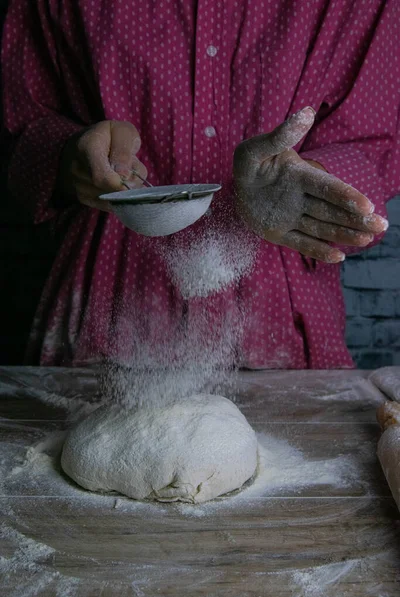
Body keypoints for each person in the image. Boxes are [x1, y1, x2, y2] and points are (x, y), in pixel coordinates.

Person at [1, 0, 399, 369]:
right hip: (103, 308)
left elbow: (376, 145)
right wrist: (71, 157)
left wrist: (308, 179)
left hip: (281, 320)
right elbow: (21, 127)